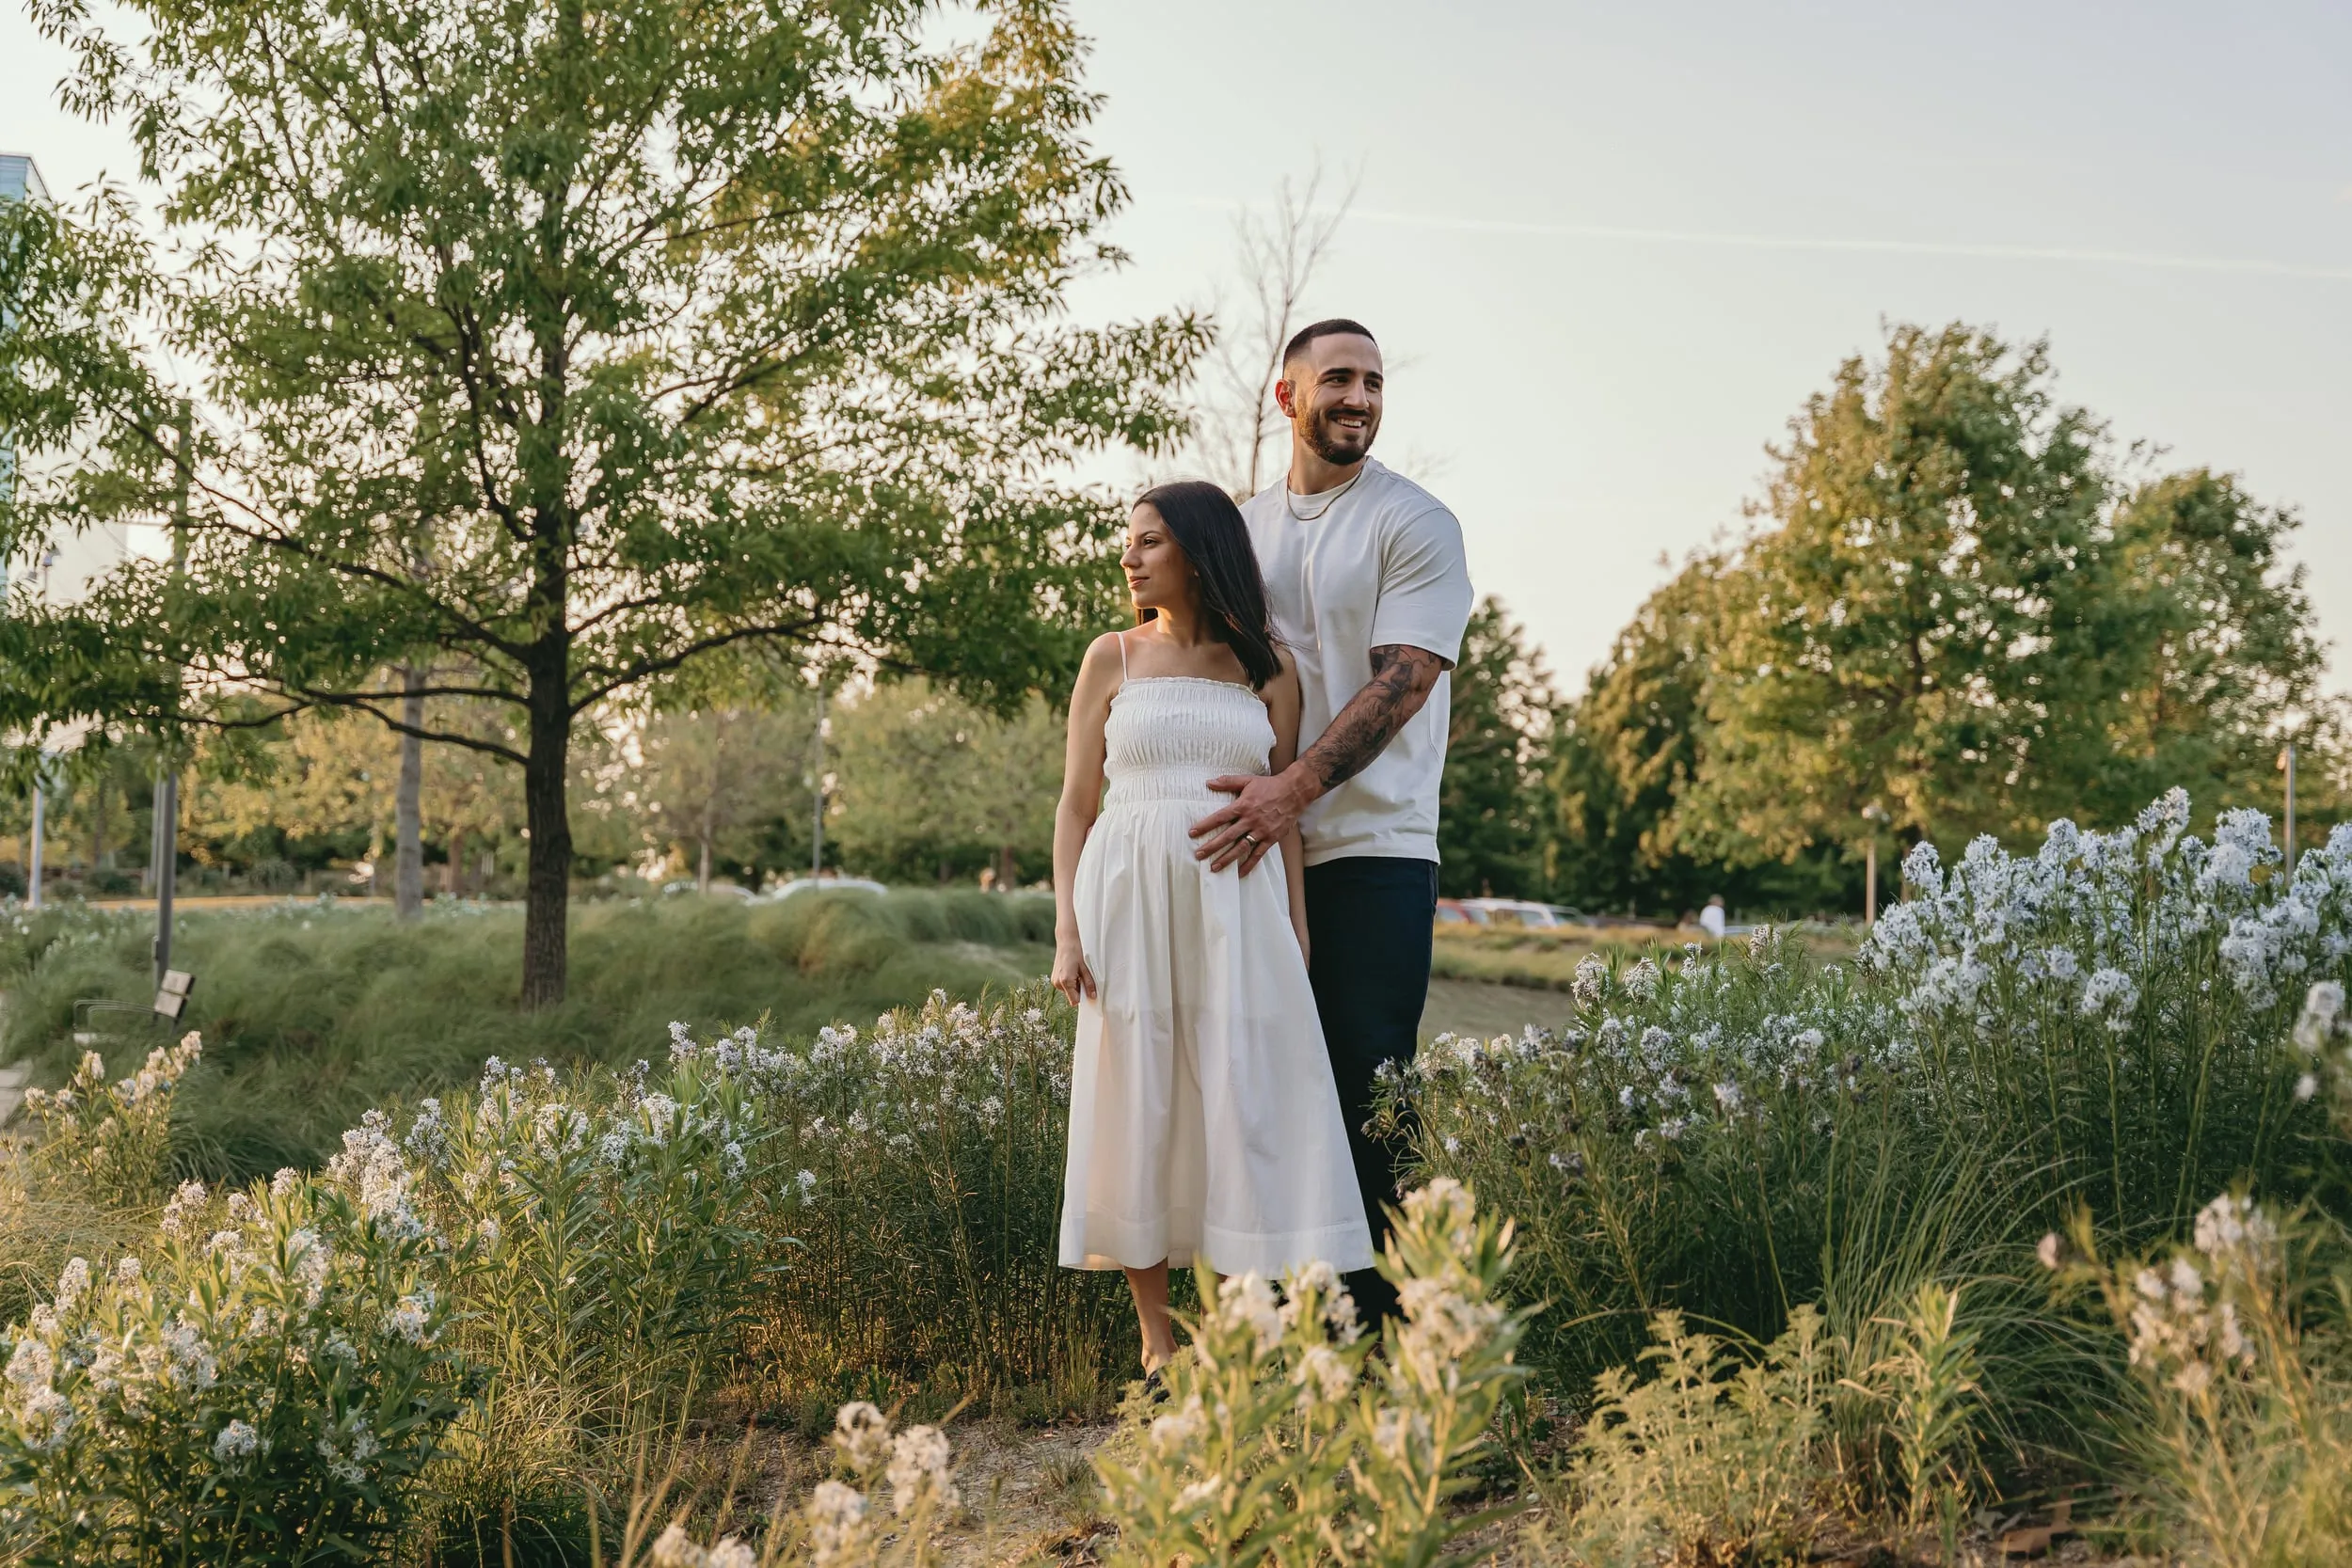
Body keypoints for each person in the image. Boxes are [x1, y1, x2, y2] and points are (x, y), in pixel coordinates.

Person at [1051, 480, 1375, 1378]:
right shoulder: (1110, 657)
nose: (1129, 556)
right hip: (1126, 906)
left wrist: (1296, 929)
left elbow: (1287, 814)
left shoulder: (1268, 666)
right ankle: (1159, 1350)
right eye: (1129, 542)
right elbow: (1076, 808)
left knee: (1238, 1101)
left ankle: (1231, 1333)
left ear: (1196, 551)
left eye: (1148, 541)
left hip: (1240, 908)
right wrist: (1067, 933)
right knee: (1140, 1100)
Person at [1188, 319, 1473, 1321]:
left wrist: (1291, 789)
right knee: (1259, 1081)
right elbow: (1187, 654)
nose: (1358, 398)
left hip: (1374, 846)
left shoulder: (1415, 521)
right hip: (1252, 850)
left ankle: (1409, 1323)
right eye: (1338, 379)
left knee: (1370, 1077)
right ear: (1286, 398)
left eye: (1374, 382)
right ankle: (1288, 1316)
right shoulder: (1241, 530)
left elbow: (1405, 679)